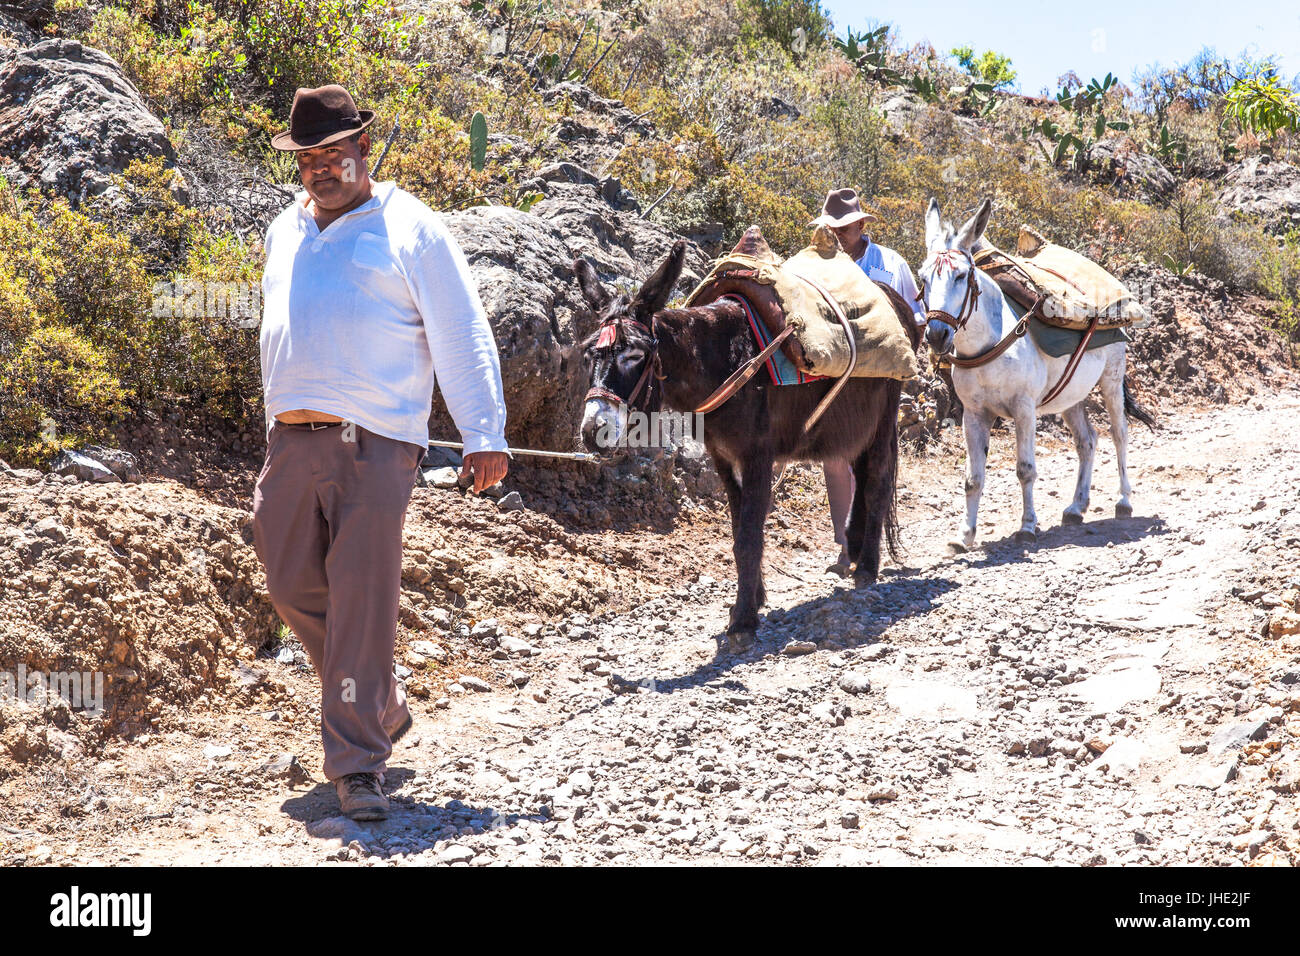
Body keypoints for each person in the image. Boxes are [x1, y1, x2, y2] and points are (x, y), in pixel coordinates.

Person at [253, 84, 509, 821]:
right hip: (290, 440)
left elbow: (460, 329)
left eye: (335, 154)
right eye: (308, 160)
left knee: (362, 602)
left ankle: (358, 764)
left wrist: (483, 432)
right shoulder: (284, 230)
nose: (322, 170)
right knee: (287, 580)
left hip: (376, 445)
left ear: (365, 148)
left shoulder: (412, 226)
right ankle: (380, 698)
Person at [810, 188, 925, 572]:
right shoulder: (817, 265)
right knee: (834, 458)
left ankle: (868, 539)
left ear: (861, 225)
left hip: (878, 382)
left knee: (874, 456)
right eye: (833, 229)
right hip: (835, 379)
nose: (838, 236)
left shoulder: (890, 265)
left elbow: (916, 317)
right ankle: (846, 547)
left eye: (844, 228)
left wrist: (900, 369)